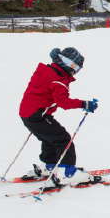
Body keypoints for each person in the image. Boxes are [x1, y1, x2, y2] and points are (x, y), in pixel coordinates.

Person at [18, 47, 99, 186]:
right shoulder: (59, 81)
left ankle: (48, 166)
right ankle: (68, 173)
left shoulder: (46, 71)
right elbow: (64, 102)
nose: (76, 72)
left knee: (50, 139)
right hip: (38, 115)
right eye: (77, 68)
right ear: (69, 65)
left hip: (28, 114)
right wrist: (84, 104)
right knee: (63, 140)